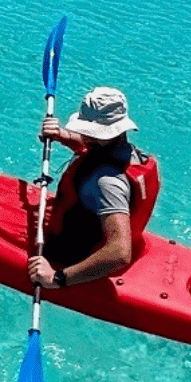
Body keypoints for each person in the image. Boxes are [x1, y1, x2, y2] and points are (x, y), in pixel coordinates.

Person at [28, 86, 146, 289]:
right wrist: (61, 134)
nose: (84, 135)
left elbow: (119, 253)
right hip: (98, 233)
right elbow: (92, 149)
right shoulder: (129, 153)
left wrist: (56, 278)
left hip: (72, 255)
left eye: (90, 132)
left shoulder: (107, 183)